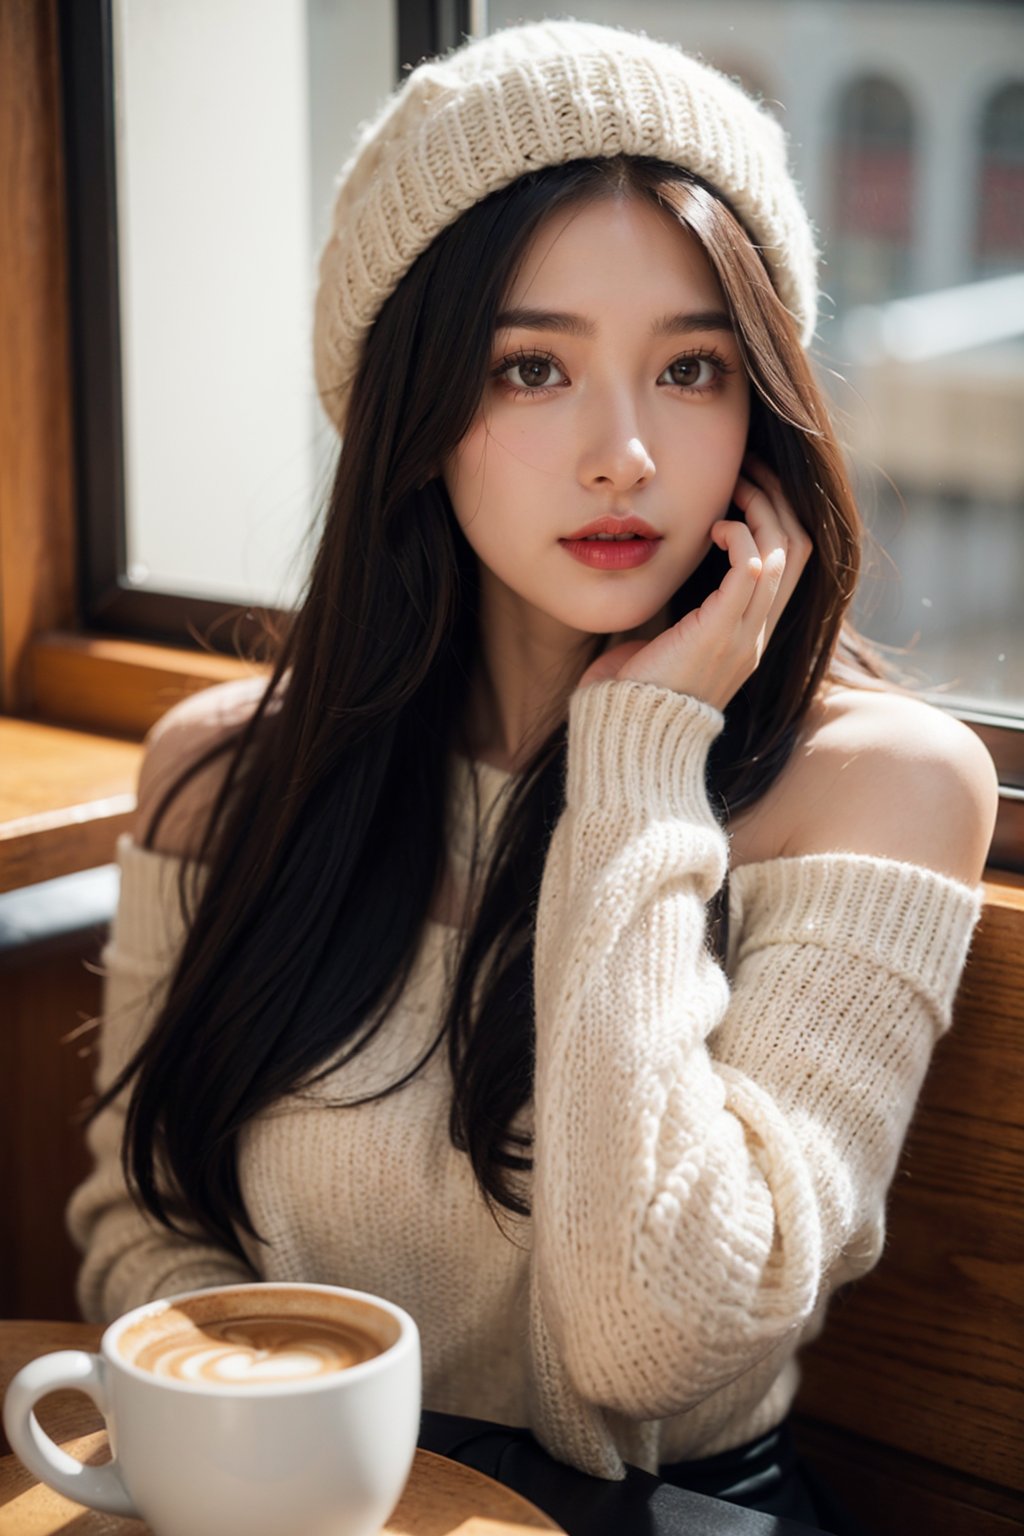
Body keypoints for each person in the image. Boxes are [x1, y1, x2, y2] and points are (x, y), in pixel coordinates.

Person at [67, 19, 997, 1532]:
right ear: (412, 415)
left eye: (690, 365)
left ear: (760, 401)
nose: (623, 451)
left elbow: (659, 1336)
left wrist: (638, 767)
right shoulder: (224, 778)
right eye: (530, 367)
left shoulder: (881, 786)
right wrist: (273, 1469)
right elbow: (141, 1226)